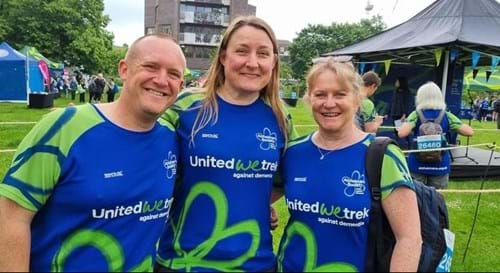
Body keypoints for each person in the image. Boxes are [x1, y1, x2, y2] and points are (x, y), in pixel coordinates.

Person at [0, 34, 186, 271]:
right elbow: (12, 215)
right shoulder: (65, 127)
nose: (161, 80)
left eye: (173, 74)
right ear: (124, 69)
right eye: (150, 66)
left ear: (180, 86)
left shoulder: (172, 138)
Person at [155, 16, 296, 272]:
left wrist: (256, 201)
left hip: (256, 264)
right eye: (242, 51)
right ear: (223, 56)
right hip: (184, 263)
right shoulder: (185, 108)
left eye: (263, 54)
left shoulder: (280, 118)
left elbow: (287, 180)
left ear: (274, 62)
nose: (252, 63)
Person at [276, 57, 422, 272]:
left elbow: (409, 239)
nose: (329, 103)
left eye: (340, 94)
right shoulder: (293, 152)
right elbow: (259, 195)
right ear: (309, 99)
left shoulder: (382, 156)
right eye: (320, 94)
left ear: (356, 99)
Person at [398, 82, 474, 189]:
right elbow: (469, 132)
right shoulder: (446, 115)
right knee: (438, 200)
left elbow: (402, 133)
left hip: (417, 164)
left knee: (417, 199)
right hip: (440, 165)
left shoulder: (416, 114)